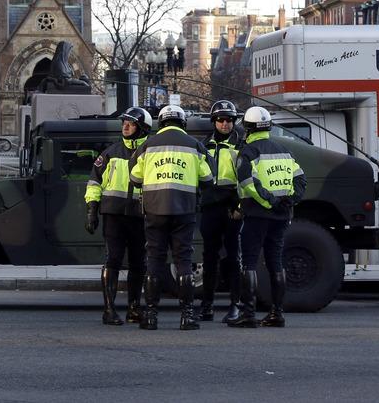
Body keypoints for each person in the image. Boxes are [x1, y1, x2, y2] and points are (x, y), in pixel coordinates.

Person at [129, 104, 213, 331]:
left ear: (162, 123)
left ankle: (151, 316)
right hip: (184, 211)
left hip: (155, 211)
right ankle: (187, 316)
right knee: (183, 261)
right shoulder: (194, 145)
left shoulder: (148, 145)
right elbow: (207, 178)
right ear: (182, 123)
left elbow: (135, 177)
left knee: (155, 261)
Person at [230, 106, 306, 328]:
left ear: (247, 128)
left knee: (250, 262)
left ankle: (248, 314)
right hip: (282, 216)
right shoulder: (284, 150)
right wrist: (289, 200)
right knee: (275, 262)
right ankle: (277, 313)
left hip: (257, 214)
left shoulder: (249, 152)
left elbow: (247, 183)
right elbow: (301, 180)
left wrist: (268, 202)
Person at [85, 107, 151, 325]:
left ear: (142, 128)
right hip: (113, 215)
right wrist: (92, 210)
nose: (125, 126)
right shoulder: (110, 153)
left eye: (131, 123)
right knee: (112, 260)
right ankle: (109, 310)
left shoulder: (150, 153)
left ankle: (134, 309)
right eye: (124, 122)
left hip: (140, 215)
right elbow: (94, 182)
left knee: (138, 263)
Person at [199, 100, 243, 323]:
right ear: (214, 121)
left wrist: (239, 207)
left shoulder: (241, 144)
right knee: (209, 258)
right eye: (221, 119)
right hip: (209, 206)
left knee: (233, 258)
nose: (225, 124)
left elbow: (248, 179)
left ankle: (235, 304)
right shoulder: (204, 144)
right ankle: (207, 305)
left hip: (232, 207)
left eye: (229, 120)